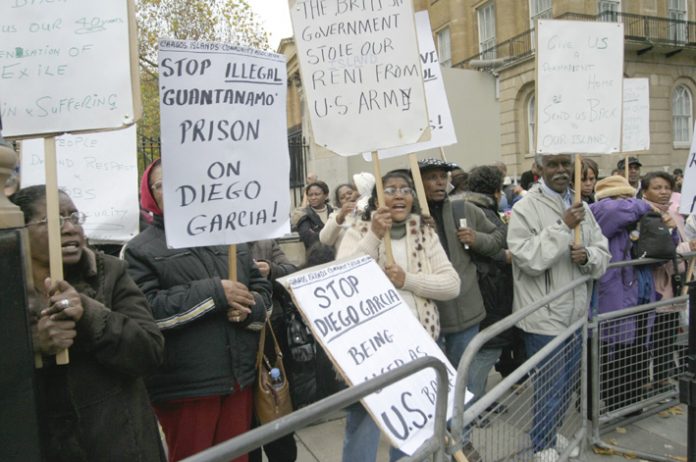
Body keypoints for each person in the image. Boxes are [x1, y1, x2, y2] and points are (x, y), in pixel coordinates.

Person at [122, 159, 272, 462]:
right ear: (150, 195)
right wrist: (216, 293)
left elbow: (263, 291)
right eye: (164, 184)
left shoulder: (231, 237)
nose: (176, 188)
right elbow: (147, 311)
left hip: (237, 380)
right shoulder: (140, 249)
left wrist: (250, 308)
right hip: (185, 388)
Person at [11, 185, 165, 461]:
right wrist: (34, 346)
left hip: (119, 445)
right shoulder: (7, 290)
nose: (70, 228)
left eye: (74, 217)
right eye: (53, 220)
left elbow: (149, 352)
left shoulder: (109, 274)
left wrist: (89, 314)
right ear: (19, 231)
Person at [336, 170, 460, 462]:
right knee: (363, 429)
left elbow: (452, 284)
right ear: (377, 199)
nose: (398, 195)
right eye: (389, 190)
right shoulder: (357, 229)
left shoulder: (424, 232)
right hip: (372, 353)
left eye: (404, 189)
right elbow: (343, 280)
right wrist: (374, 236)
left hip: (420, 347)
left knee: (414, 429)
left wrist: (408, 281)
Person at [507, 154, 610, 462]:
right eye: (553, 164)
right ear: (539, 169)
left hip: (576, 314)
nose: (562, 170)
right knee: (549, 388)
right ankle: (541, 445)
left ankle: (550, 434)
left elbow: (604, 253)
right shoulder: (525, 208)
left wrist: (588, 255)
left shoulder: (583, 207)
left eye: (567, 164)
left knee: (566, 387)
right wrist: (563, 227)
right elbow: (528, 259)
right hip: (544, 315)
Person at [418, 158, 504, 374]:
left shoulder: (463, 209)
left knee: (463, 379)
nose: (439, 182)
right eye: (431, 178)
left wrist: (476, 239)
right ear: (417, 183)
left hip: (468, 314)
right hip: (430, 319)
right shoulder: (409, 220)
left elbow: (500, 235)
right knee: (437, 382)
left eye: (442, 177)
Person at [589, 176, 653, 412]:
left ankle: (627, 401)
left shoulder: (628, 217)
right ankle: (604, 401)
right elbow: (616, 209)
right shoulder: (602, 211)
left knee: (630, 350)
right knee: (608, 349)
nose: (626, 202)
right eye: (622, 197)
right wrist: (643, 204)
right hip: (611, 291)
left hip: (633, 290)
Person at [458, 165, 514, 402]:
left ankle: (474, 402)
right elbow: (493, 246)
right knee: (487, 350)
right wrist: (505, 255)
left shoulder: (464, 208)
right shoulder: (482, 212)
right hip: (489, 289)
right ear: (496, 191)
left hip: (480, 290)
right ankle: (473, 405)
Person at [640, 171, 696, 389]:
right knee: (649, 338)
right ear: (645, 191)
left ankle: (662, 378)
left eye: (666, 187)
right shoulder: (646, 215)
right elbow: (658, 252)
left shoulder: (674, 214)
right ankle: (644, 381)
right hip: (655, 287)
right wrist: (686, 248)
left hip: (674, 285)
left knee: (667, 337)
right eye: (657, 187)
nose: (663, 192)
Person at [247, 239, 298, 462]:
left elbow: (291, 272)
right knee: (247, 428)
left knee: (277, 410)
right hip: (236, 350)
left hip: (270, 341)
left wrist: (270, 270)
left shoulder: (264, 243)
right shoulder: (214, 248)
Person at [296, 181, 334, 251]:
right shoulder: (303, 215)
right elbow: (309, 238)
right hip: (316, 255)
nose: (313, 198)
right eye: (310, 195)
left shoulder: (334, 212)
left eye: (317, 194)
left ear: (326, 195)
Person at [319, 183, 358, 250]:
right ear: (339, 203)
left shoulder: (366, 210)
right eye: (342, 197)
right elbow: (324, 239)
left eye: (350, 193)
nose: (347, 197)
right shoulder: (335, 216)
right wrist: (340, 217)